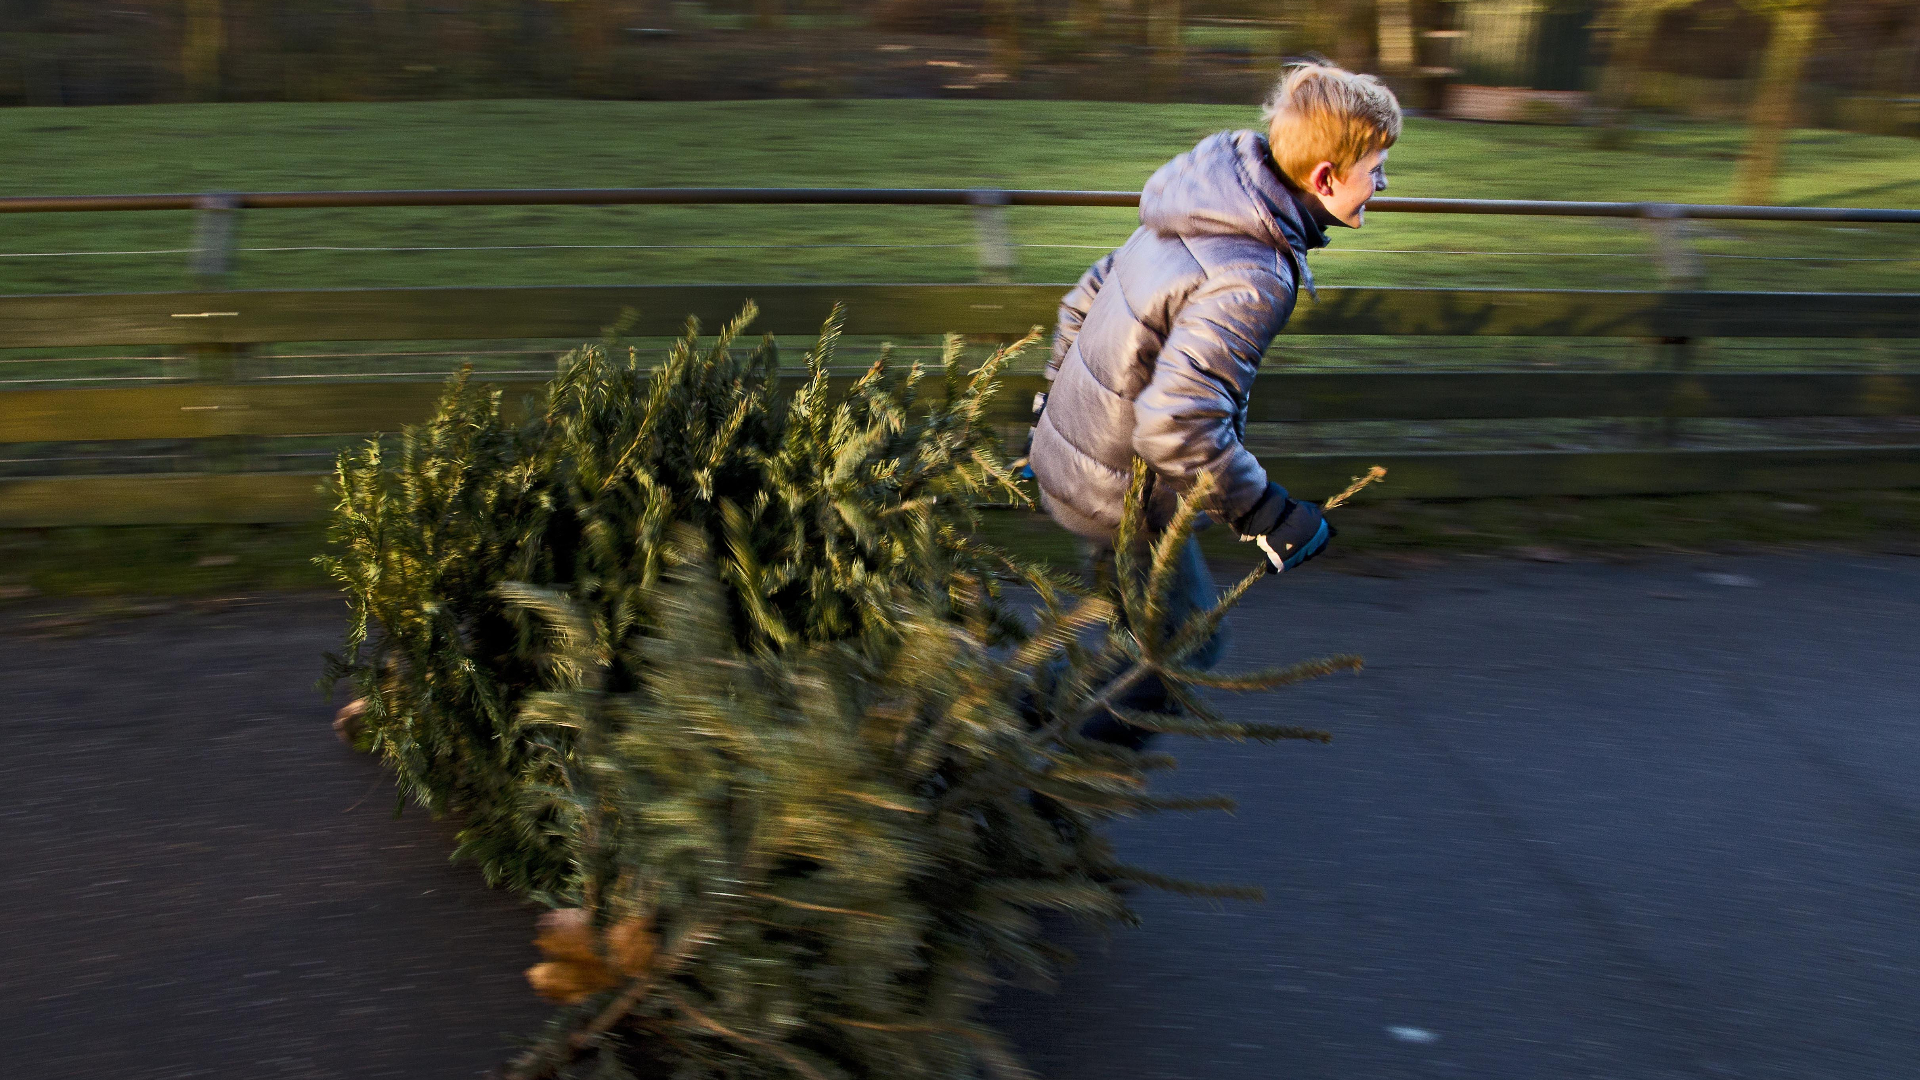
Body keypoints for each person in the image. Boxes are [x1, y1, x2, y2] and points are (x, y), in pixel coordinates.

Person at [1027, 61, 1401, 748]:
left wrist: (1051, 421)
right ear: (1324, 178)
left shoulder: (1202, 204)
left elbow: (1088, 293)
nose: (1382, 182)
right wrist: (1264, 512)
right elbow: (1180, 419)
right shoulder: (1251, 271)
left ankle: (1001, 737)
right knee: (1180, 650)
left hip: (1082, 461)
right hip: (1122, 493)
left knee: (1134, 632)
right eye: (1375, 167)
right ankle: (1039, 792)